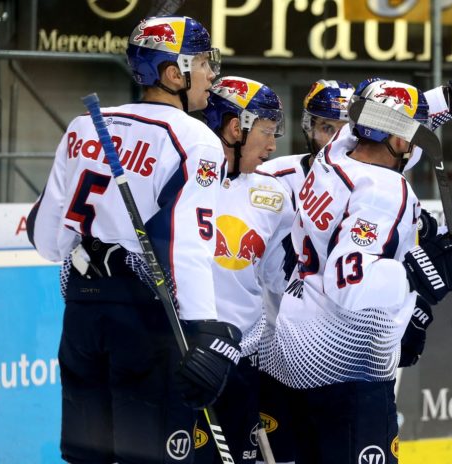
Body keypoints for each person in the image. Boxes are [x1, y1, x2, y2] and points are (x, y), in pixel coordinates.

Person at [27, 16, 242, 463]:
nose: (211, 75)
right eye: (203, 63)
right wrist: (204, 328)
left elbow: (48, 242)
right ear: (172, 73)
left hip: (84, 317)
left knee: (89, 456)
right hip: (149, 320)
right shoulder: (194, 139)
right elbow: (187, 246)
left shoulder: (84, 126)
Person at [260, 76, 452, 464]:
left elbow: (383, 127)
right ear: (399, 140)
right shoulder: (385, 191)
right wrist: (423, 274)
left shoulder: (334, 154)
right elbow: (348, 281)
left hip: (292, 351)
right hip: (346, 372)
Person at [192, 76, 295, 464]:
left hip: (244, 357)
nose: (273, 144)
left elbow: (280, 277)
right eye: (266, 132)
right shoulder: (184, 179)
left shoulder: (274, 195)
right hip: (186, 353)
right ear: (236, 127)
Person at [257, 79, 354, 464]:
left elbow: (415, 120)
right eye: (327, 128)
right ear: (308, 128)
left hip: (343, 357)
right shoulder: (272, 177)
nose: (335, 141)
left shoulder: (374, 178)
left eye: (347, 130)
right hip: (276, 356)